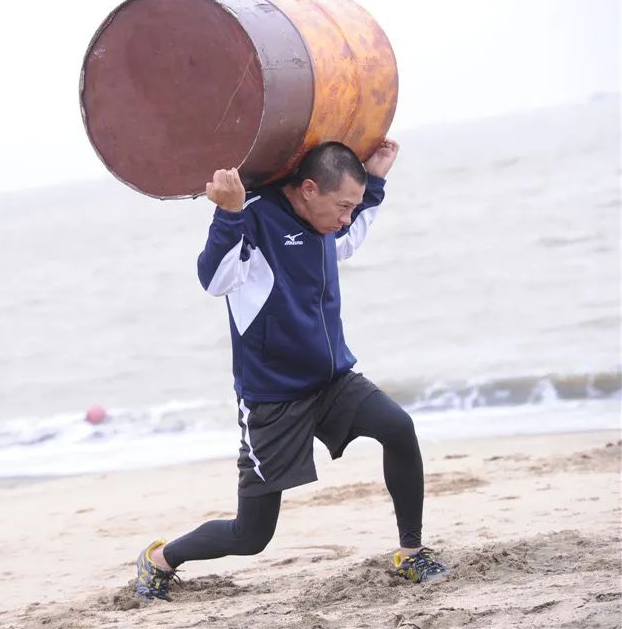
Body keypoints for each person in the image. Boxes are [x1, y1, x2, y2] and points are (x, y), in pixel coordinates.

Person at [134, 139, 449, 601]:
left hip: (332, 382)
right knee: (251, 536)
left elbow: (349, 236)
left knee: (398, 427)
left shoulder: (326, 223)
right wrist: (228, 213)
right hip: (273, 398)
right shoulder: (257, 217)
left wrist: (375, 181)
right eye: (341, 205)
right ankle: (162, 558)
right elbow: (215, 279)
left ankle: (410, 551)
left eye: (352, 207)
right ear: (307, 189)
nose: (345, 218)